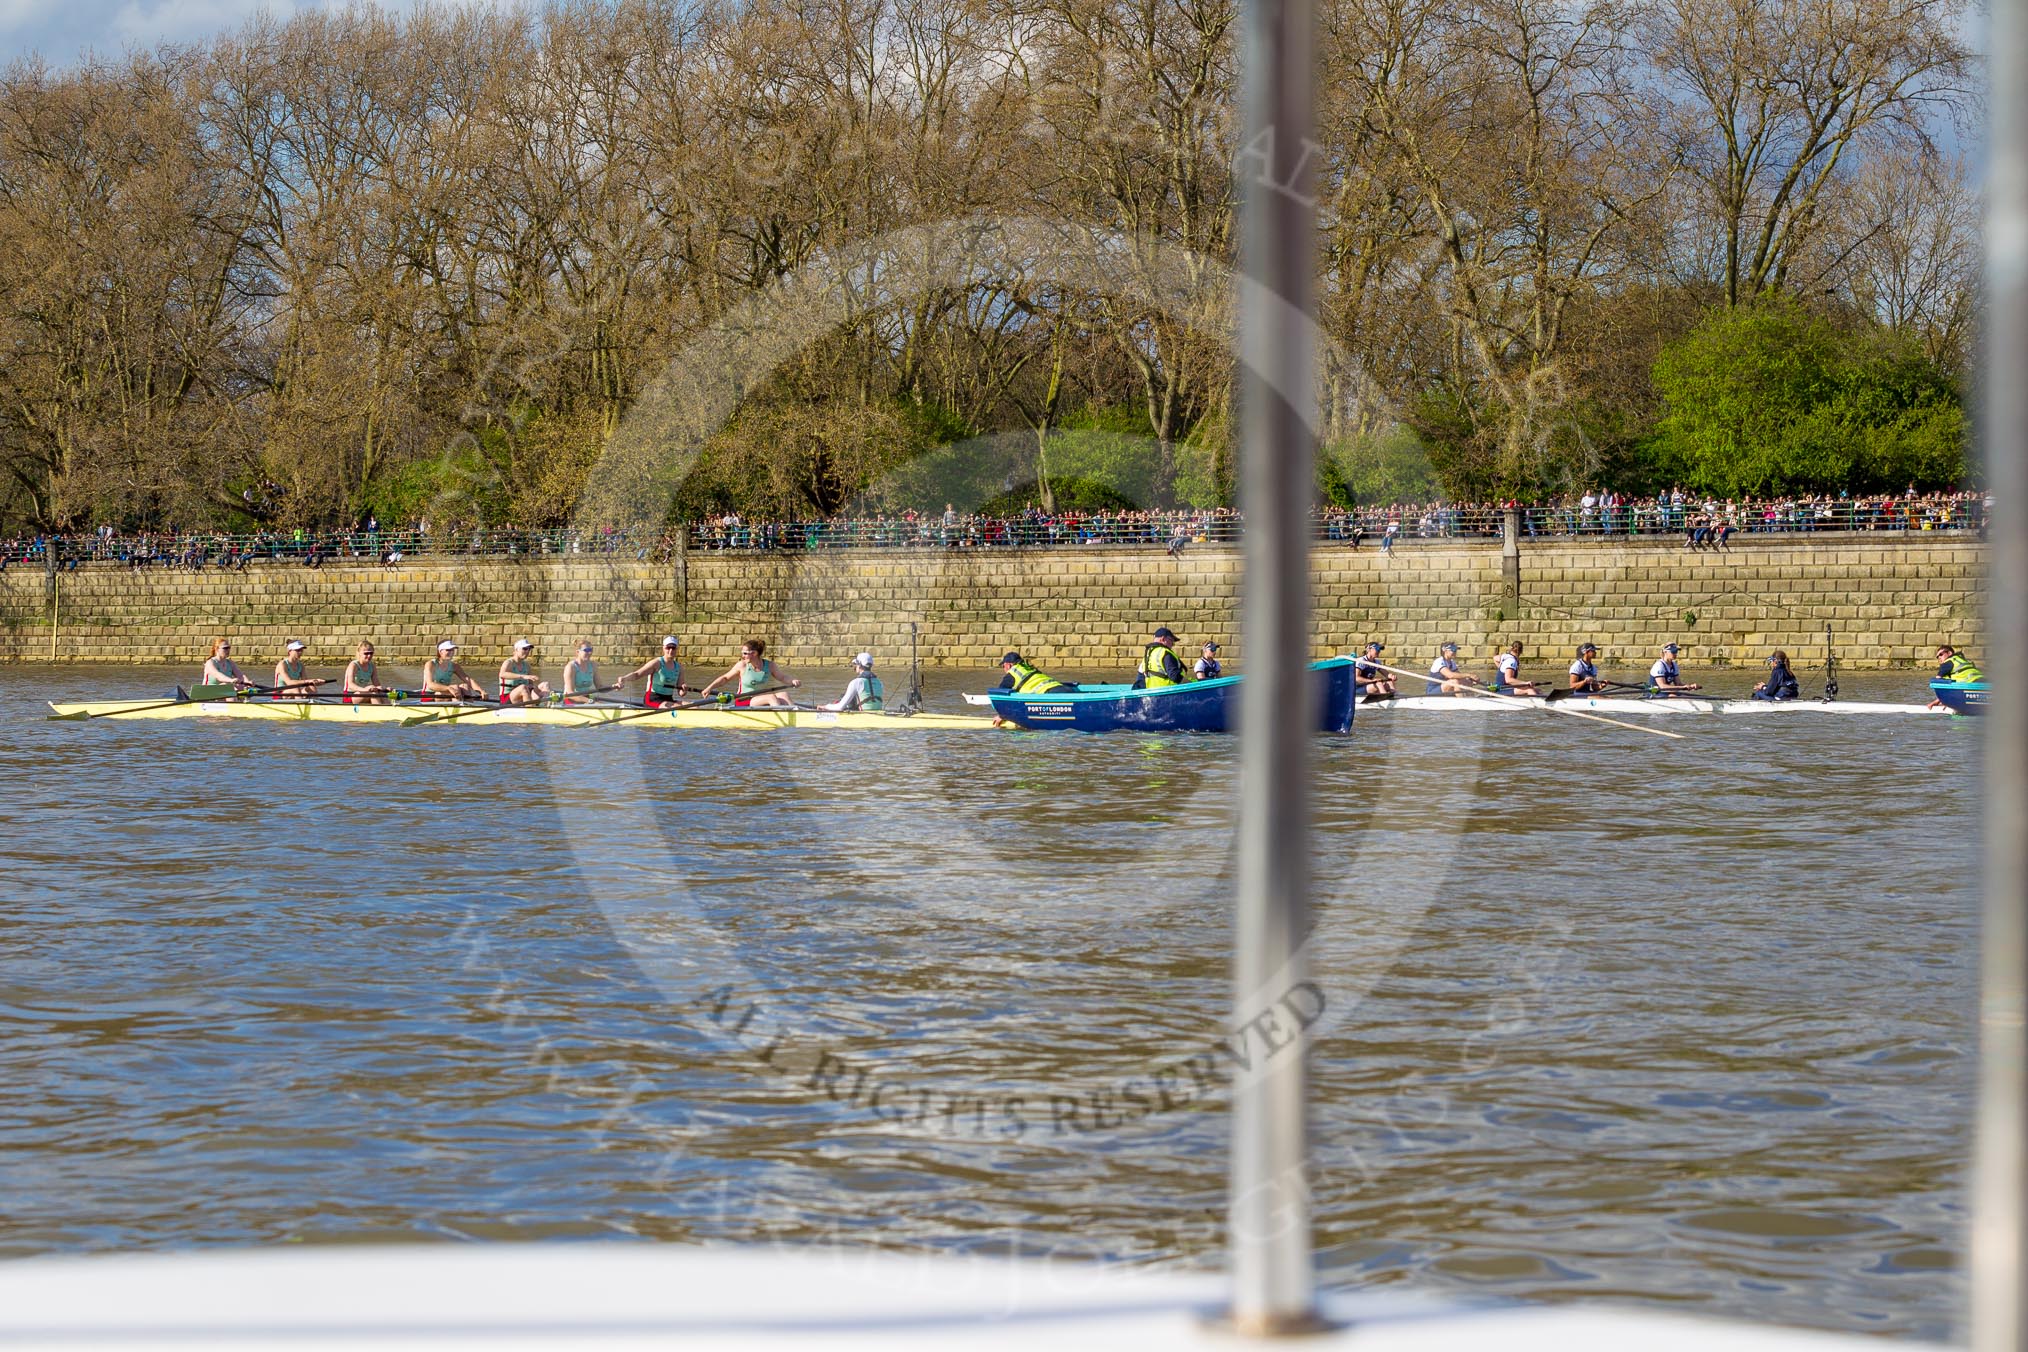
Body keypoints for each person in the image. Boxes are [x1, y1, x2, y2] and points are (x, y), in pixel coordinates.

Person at [700, 639, 801, 708]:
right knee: (771, 697)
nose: (742, 656)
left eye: (745, 653)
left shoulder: (769, 665)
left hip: (760, 699)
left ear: (754, 653)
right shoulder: (742, 665)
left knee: (784, 694)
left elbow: (782, 677)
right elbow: (725, 678)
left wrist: (792, 681)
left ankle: (798, 717)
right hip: (743, 700)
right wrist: (710, 688)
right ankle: (781, 718)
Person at [619, 637, 688, 707]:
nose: (671, 650)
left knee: (693, 706)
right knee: (677, 707)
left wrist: (684, 691)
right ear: (663, 649)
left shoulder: (679, 667)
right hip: (652, 699)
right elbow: (637, 674)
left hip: (669, 699)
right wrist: (624, 679)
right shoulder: (656, 663)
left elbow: (681, 692)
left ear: (677, 649)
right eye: (668, 647)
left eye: (673, 648)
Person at [498, 639, 552, 705]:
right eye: (525, 649)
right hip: (507, 698)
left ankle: (546, 707)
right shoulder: (509, 663)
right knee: (523, 687)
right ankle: (530, 710)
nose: (527, 651)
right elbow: (502, 674)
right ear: (516, 649)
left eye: (529, 649)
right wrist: (523, 676)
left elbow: (531, 684)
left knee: (545, 684)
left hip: (524, 695)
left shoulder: (527, 665)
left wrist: (538, 693)